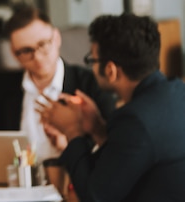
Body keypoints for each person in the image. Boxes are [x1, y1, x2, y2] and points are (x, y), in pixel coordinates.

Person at [37, 13, 185, 201]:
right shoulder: (177, 91)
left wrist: (72, 130)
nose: (91, 67)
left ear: (111, 70)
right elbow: (125, 164)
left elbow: (94, 196)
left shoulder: (135, 119)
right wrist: (98, 128)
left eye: (93, 60)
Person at [0, 5, 115, 163]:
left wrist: (70, 143)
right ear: (14, 54)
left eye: (43, 44)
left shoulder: (92, 83)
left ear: (56, 38)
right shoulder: (6, 90)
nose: (38, 57)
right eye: (27, 51)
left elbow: (114, 145)